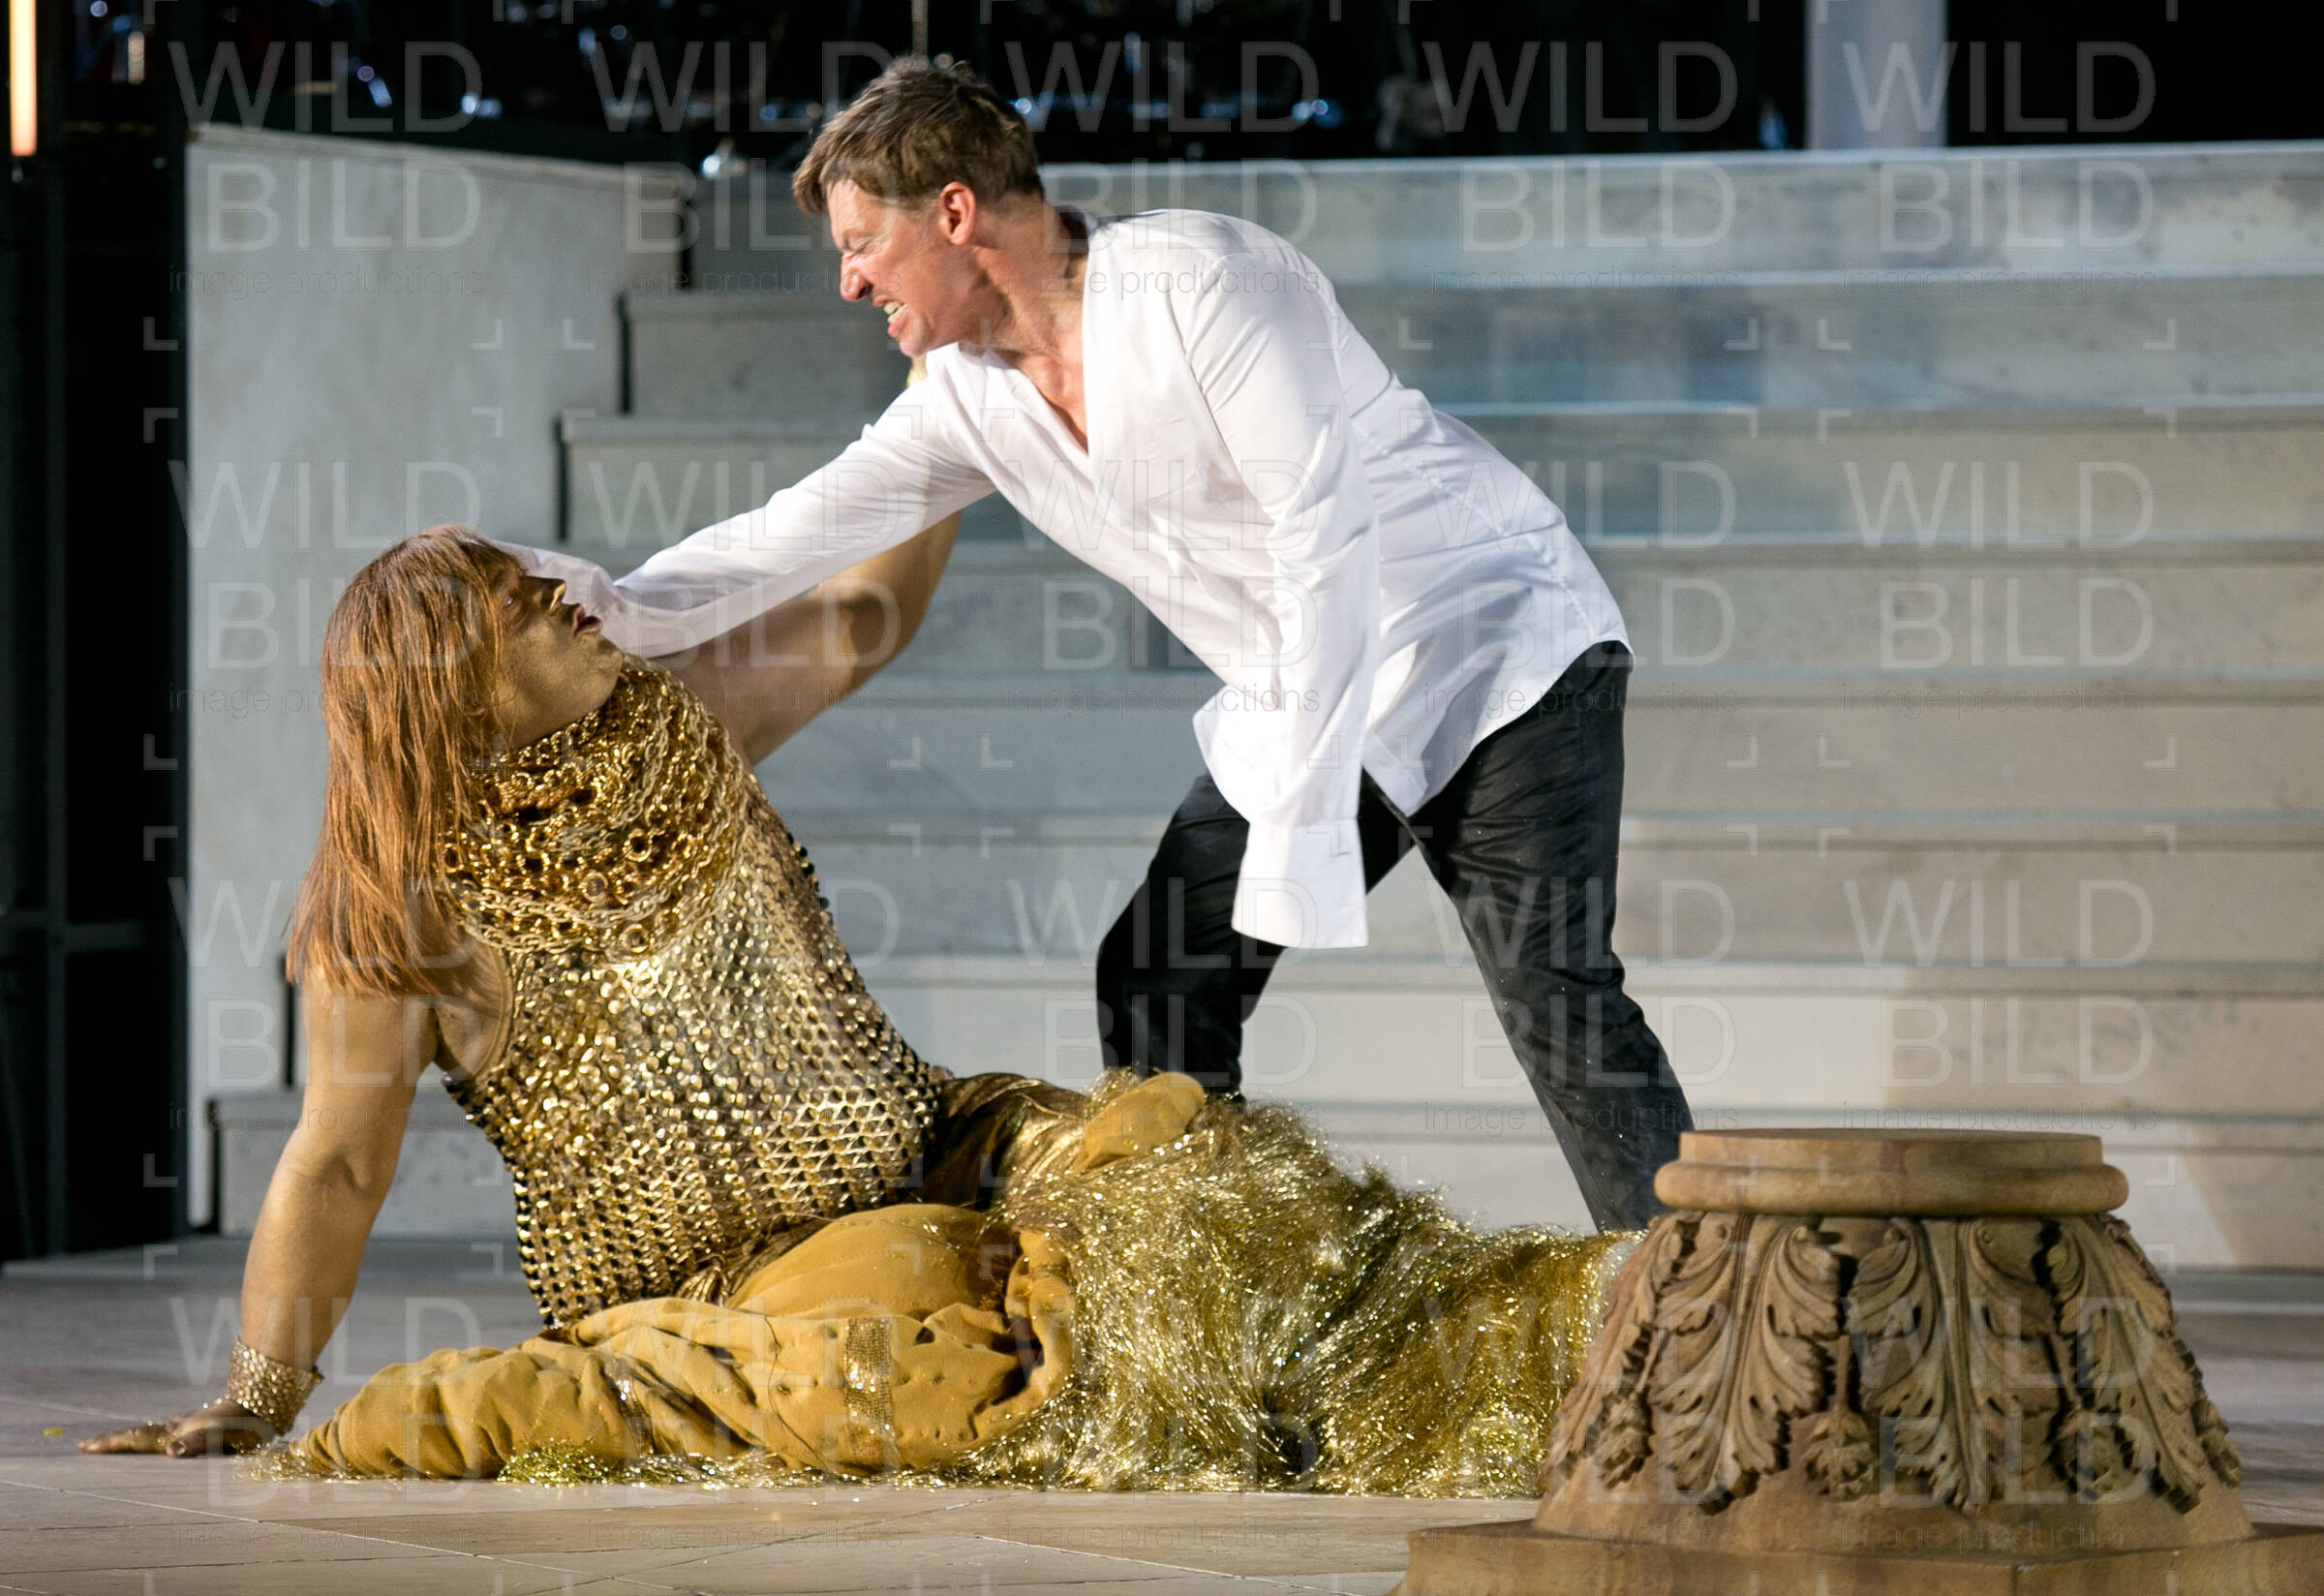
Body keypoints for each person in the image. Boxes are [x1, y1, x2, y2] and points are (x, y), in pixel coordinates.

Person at [81, 523, 1626, 1491]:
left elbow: (865, 611)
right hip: (739, 1272)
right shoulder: (395, 917)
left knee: (1188, 1160)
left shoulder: (679, 725)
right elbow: (336, 1164)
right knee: (951, 1342)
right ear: (443, 686)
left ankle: (1587, 1334)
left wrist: (952, 414)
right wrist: (259, 1395)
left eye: (537, 574)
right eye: (515, 603)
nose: (564, 590)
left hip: (944, 1142)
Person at [513, 57, 1693, 1233]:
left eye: (864, 242)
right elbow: (795, 530)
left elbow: (1325, 549)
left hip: (1488, 642)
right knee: (1159, 972)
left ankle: (1697, 1304)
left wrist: (1297, 841)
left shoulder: (1207, 285)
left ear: (955, 212)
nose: (849, 279)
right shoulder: (967, 396)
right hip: (1300, 683)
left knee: (1557, 998)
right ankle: (1218, 1291)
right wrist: (615, 606)